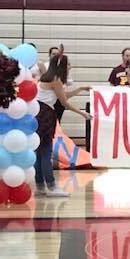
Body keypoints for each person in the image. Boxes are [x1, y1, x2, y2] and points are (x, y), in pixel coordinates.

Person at [35, 51, 91, 196]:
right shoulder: (56, 80)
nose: (70, 67)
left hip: (38, 114)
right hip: (46, 115)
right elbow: (64, 102)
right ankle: (52, 187)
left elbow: (62, 95)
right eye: (68, 64)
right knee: (46, 152)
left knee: (40, 153)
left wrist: (79, 89)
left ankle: (40, 186)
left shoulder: (46, 77)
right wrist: (82, 113)